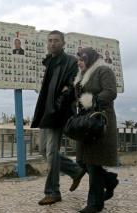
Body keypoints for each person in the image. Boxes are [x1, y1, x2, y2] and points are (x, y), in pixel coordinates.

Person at [31, 30, 85, 206]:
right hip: (47, 112)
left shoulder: (70, 61)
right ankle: (75, 170)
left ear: (63, 43)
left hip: (59, 112)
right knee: (43, 150)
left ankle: (53, 192)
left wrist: (58, 104)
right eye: (50, 41)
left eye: (56, 40)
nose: (52, 43)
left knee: (52, 152)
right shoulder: (50, 62)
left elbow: (71, 87)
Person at [74, 47, 118, 213]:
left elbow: (111, 92)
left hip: (100, 121)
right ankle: (109, 181)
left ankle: (95, 204)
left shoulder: (104, 71)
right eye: (78, 59)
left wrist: (90, 101)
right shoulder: (82, 76)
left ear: (90, 58)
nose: (79, 62)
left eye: (82, 59)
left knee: (93, 163)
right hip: (85, 122)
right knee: (82, 160)